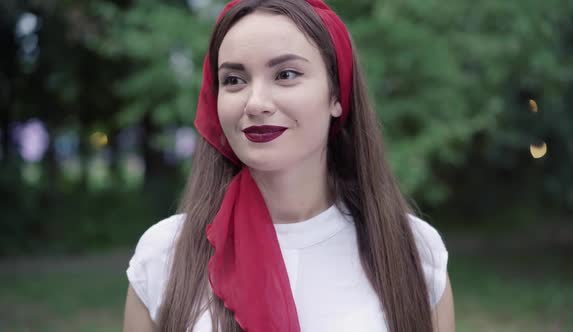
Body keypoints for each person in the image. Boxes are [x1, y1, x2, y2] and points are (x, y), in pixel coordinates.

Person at [123, 0, 455, 331]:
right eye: (234, 80)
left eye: (286, 74)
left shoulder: (413, 251)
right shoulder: (164, 254)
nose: (255, 103)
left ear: (337, 95)